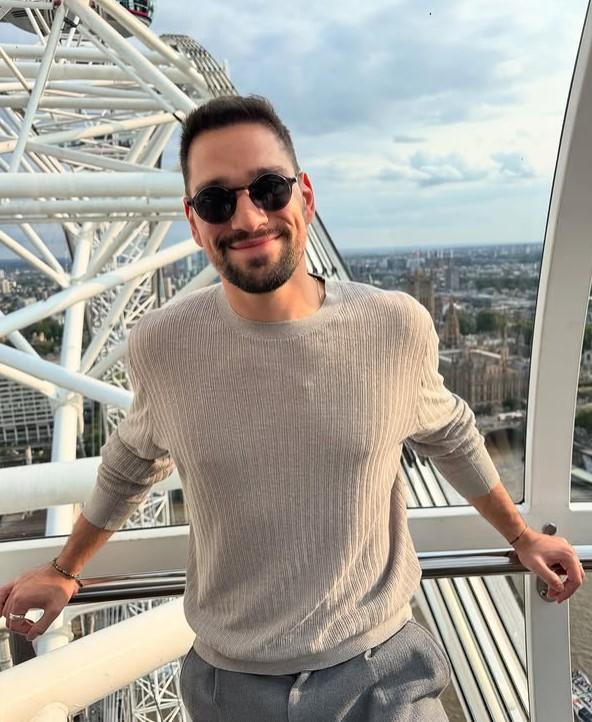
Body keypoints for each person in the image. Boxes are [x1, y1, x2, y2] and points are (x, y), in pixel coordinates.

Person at [0, 95, 585, 722]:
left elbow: (451, 434)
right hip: (231, 689)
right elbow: (131, 462)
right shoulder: (163, 345)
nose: (249, 216)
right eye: (217, 201)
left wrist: (521, 535)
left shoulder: (392, 326)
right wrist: (64, 569)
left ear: (305, 195)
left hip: (383, 676)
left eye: (270, 189)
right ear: (194, 222)